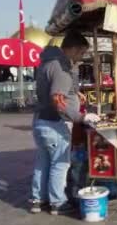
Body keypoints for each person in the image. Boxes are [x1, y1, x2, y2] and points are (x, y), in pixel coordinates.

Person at [31, 30, 99, 215]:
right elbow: (57, 99)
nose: (82, 57)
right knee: (60, 164)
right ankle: (57, 202)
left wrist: (74, 92)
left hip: (40, 120)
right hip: (55, 122)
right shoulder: (61, 68)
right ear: (74, 49)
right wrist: (81, 117)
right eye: (82, 52)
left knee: (43, 162)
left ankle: (38, 200)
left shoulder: (47, 63)